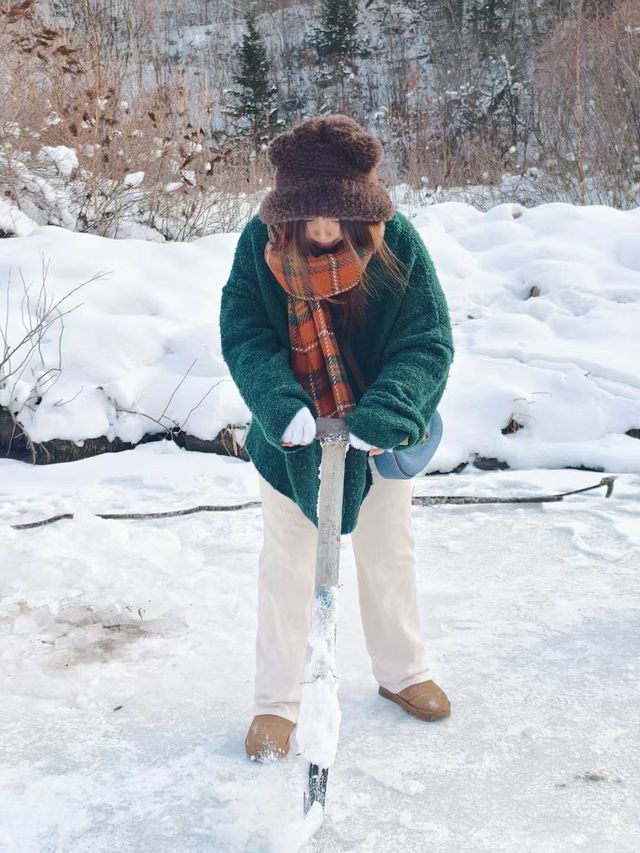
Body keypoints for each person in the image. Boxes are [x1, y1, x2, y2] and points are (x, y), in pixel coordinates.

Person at [219, 114, 455, 761]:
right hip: (293, 439)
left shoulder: (397, 242)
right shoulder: (259, 244)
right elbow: (244, 332)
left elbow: (426, 338)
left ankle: (402, 670)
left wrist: (390, 409)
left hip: (377, 438)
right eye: (311, 217)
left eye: (337, 216)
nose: (323, 230)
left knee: (389, 552)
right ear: (289, 209)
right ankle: (277, 702)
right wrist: (279, 404)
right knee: (287, 565)